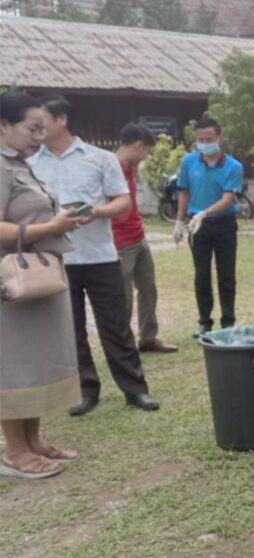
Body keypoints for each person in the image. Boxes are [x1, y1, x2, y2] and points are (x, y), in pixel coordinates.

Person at [30, 95, 159, 416]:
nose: (36, 126)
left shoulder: (100, 158)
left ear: (61, 120)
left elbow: (123, 203)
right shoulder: (32, 164)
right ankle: (87, 390)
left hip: (100, 256)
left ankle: (135, 389)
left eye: (41, 119)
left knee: (115, 326)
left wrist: (95, 212)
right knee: (71, 329)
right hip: (58, 260)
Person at [0, 92, 83, 478]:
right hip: (12, 281)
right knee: (13, 364)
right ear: (3, 126)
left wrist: (59, 220)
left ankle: (33, 440)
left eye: (41, 129)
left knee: (33, 362)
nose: (38, 137)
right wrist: (50, 227)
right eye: (31, 129)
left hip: (38, 273)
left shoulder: (20, 164)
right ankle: (14, 452)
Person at [174, 117, 243, 337]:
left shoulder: (233, 166)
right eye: (200, 139)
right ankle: (204, 321)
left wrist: (206, 212)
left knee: (226, 275)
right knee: (201, 274)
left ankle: (228, 321)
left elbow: (228, 198)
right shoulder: (189, 162)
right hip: (197, 225)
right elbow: (184, 191)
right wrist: (179, 220)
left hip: (224, 224)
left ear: (219, 138)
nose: (204, 143)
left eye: (209, 139)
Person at [113, 123, 177, 354]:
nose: (147, 156)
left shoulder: (131, 166)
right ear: (138, 146)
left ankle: (148, 338)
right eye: (148, 151)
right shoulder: (111, 168)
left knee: (148, 288)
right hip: (119, 241)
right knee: (124, 297)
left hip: (138, 236)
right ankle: (123, 345)